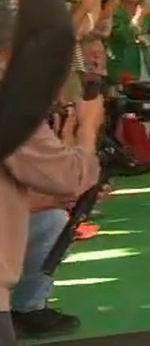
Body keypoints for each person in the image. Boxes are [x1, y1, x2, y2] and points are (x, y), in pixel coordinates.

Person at [1, 111, 101, 342]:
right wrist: (88, 126)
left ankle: (27, 310)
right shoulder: (12, 107)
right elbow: (70, 177)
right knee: (52, 218)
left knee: (50, 220)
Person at [106, 0, 150, 82]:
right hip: (120, 68)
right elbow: (123, 36)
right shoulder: (114, 12)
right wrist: (137, 19)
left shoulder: (143, 9)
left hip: (142, 65)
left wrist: (146, 40)